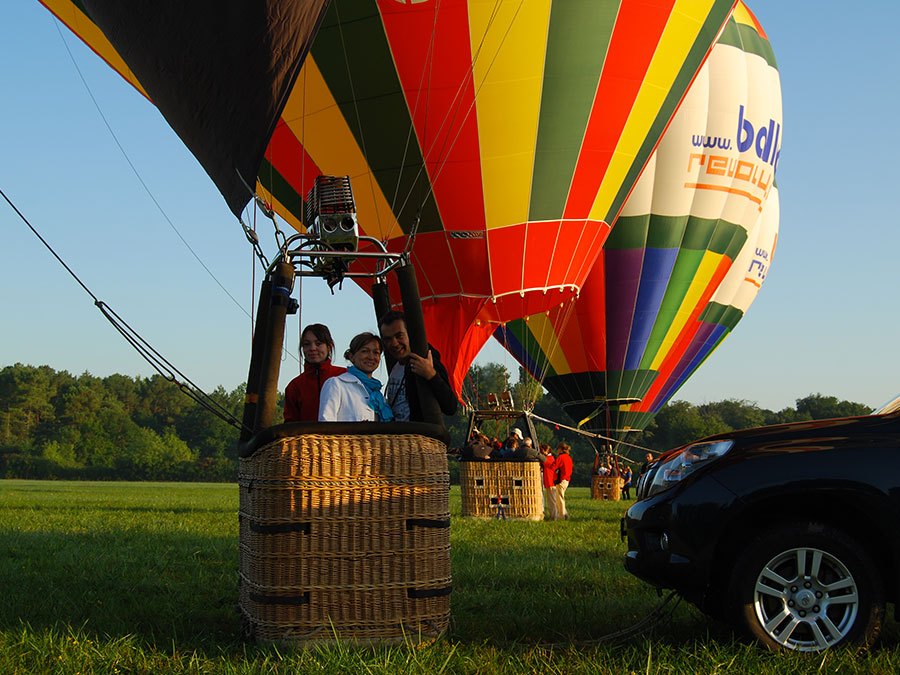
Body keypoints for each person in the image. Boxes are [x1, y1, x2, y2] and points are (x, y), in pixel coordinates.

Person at [378, 310, 458, 422]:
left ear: (410, 334)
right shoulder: (395, 365)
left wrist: (431, 375)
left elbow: (451, 406)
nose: (394, 343)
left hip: (418, 437)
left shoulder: (426, 362)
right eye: (388, 339)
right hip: (398, 437)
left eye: (399, 336)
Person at [319, 332, 394, 422]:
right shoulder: (336, 384)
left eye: (376, 352)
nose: (371, 357)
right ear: (351, 356)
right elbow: (326, 425)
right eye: (364, 351)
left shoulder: (378, 395)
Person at [283, 323, 346, 422]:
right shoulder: (294, 386)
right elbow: (290, 424)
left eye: (318, 343)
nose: (312, 348)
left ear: (329, 347)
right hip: (308, 437)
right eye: (307, 344)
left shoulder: (345, 376)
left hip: (343, 437)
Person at [554, 442, 574, 521]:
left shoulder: (560, 457)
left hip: (561, 480)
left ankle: (561, 516)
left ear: (561, 449)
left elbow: (555, 466)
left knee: (560, 499)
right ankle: (565, 514)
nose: (557, 450)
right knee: (561, 498)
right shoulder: (569, 457)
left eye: (558, 448)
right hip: (567, 480)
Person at [539, 443, 558, 521]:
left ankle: (554, 517)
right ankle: (553, 516)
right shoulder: (550, 458)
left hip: (550, 482)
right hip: (549, 482)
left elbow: (542, 460)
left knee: (552, 501)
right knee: (551, 500)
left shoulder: (548, 458)